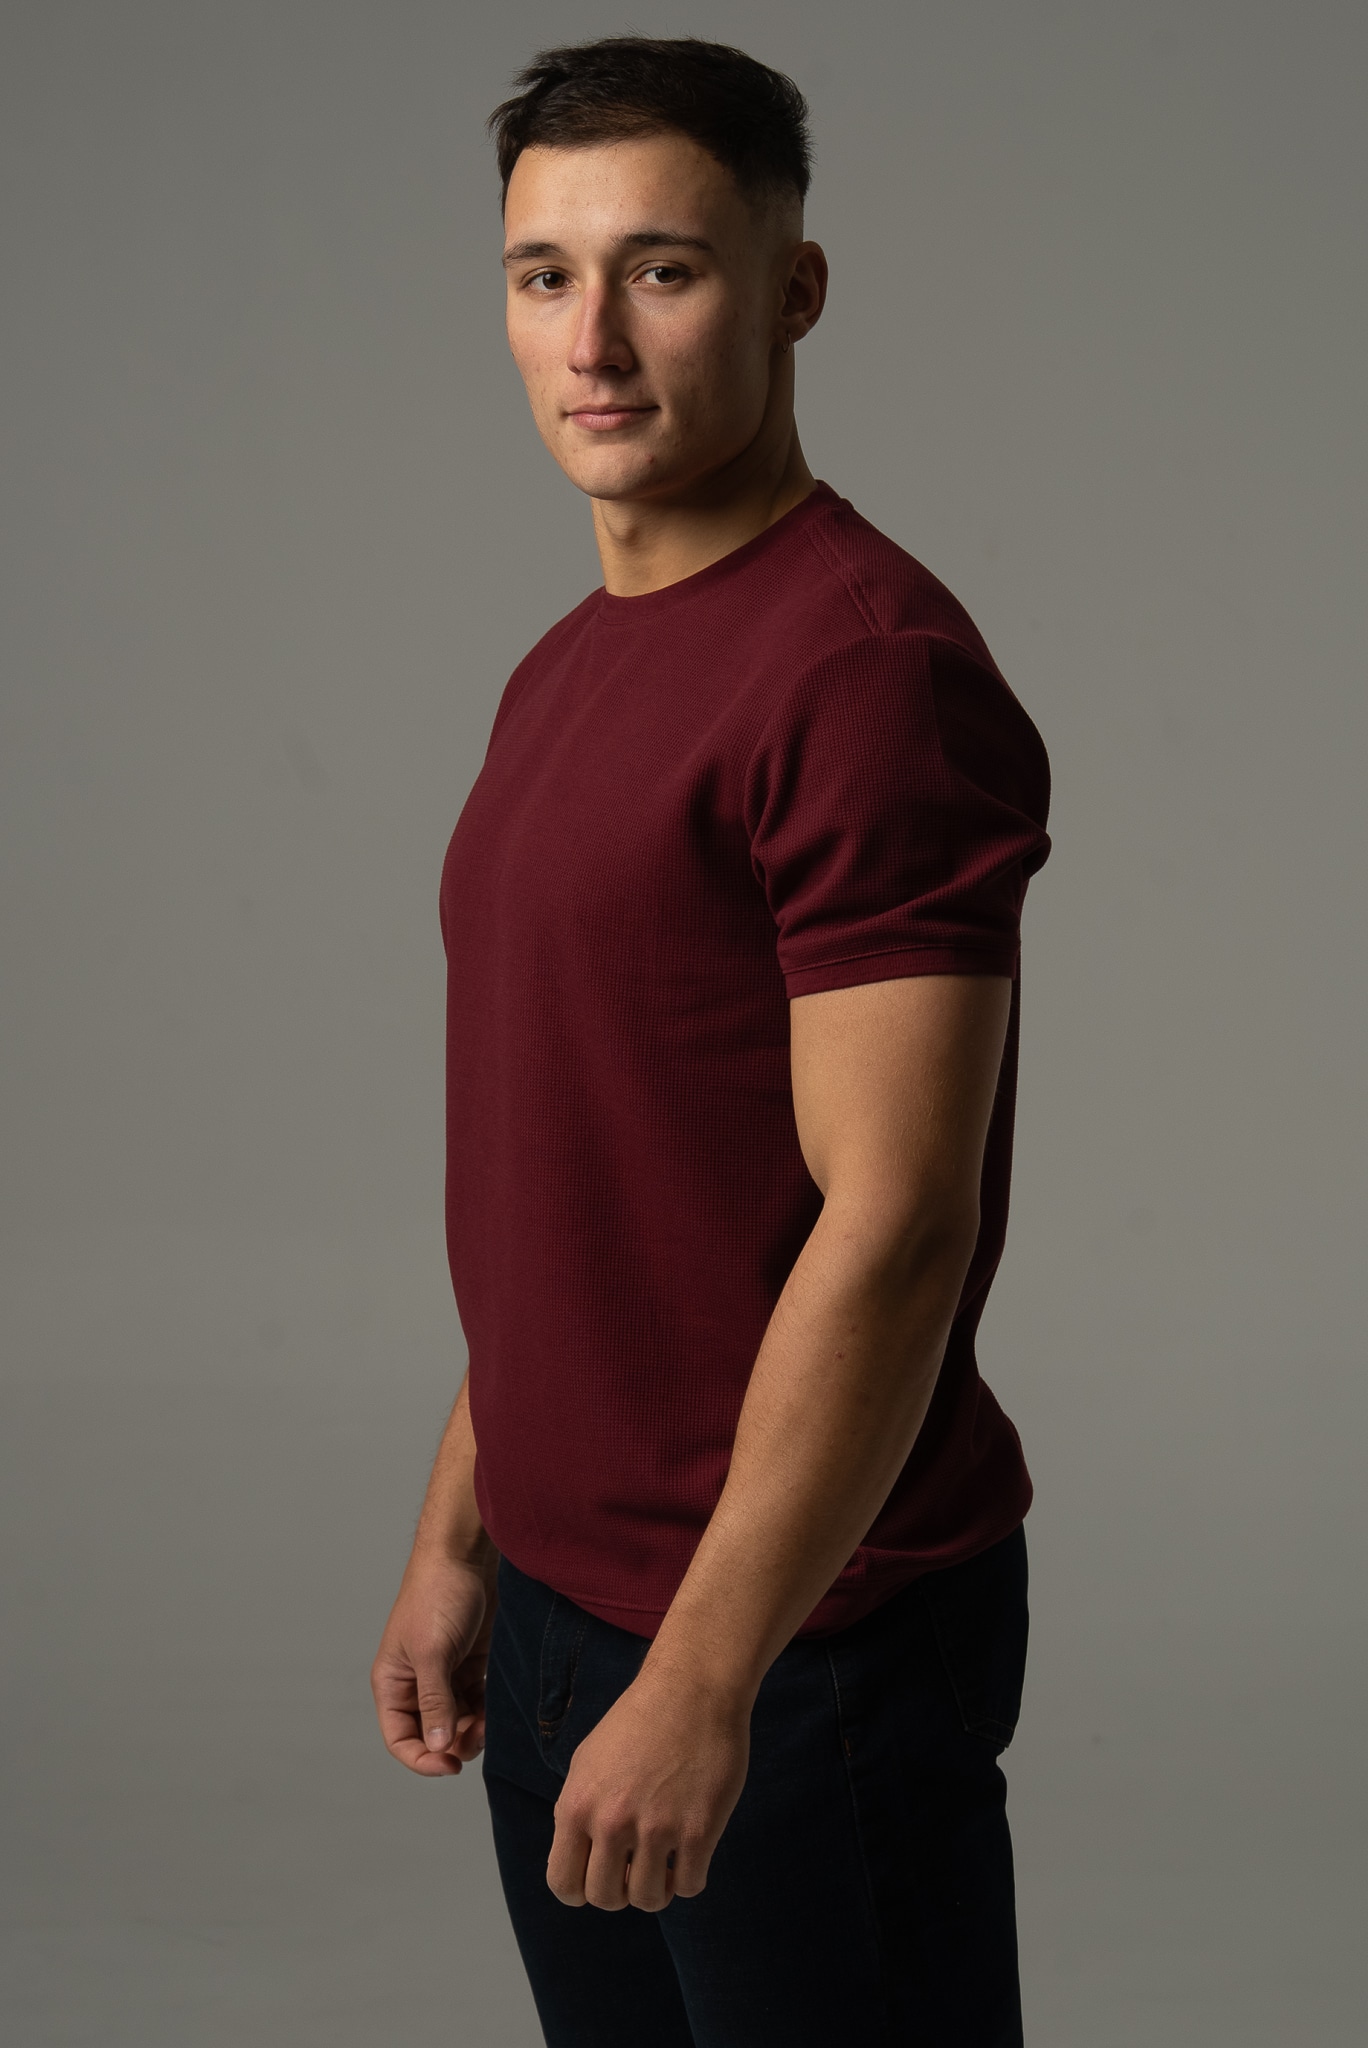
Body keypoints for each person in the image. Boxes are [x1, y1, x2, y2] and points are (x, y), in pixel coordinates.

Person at [371, 35, 1051, 2047]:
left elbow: (899, 1221)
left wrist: (706, 1671)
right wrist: (461, 1534)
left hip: (795, 1639)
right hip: (566, 1605)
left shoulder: (866, 672)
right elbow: (591, 1169)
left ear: (792, 290)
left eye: (661, 270)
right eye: (543, 275)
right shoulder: (562, 671)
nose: (591, 339)